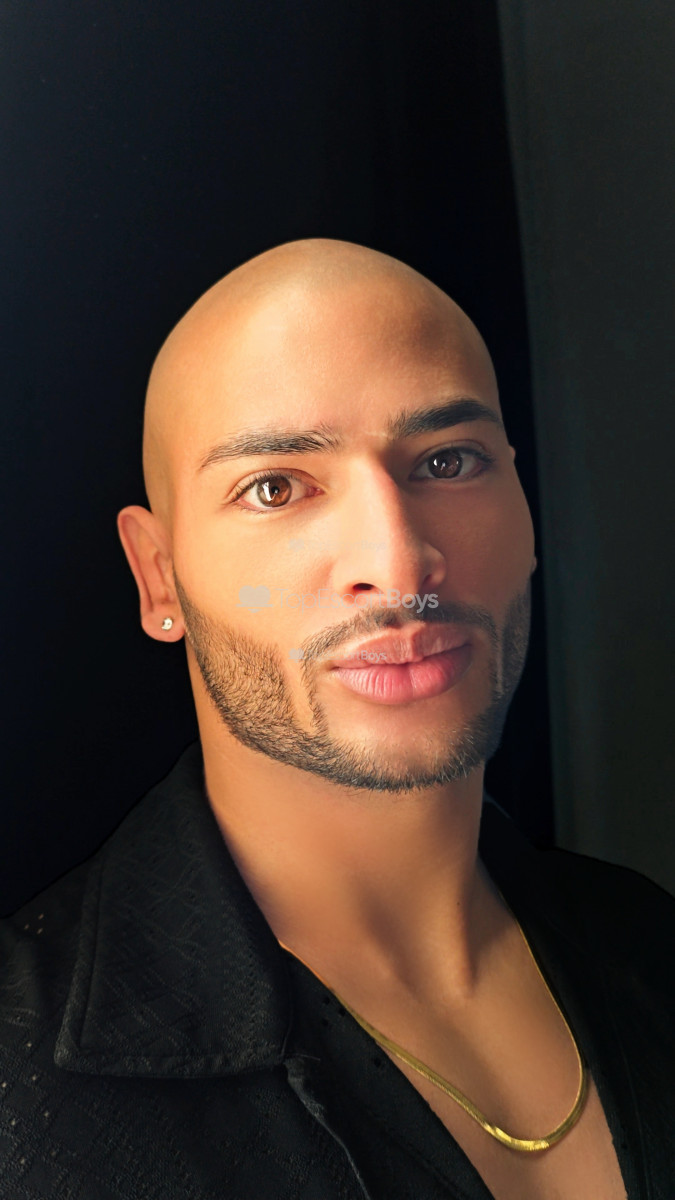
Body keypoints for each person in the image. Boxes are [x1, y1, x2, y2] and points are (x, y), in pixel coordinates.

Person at [1, 239, 673, 1200]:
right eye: (275, 486)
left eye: (447, 461)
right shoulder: (21, 1099)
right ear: (159, 577)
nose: (396, 565)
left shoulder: (645, 939)